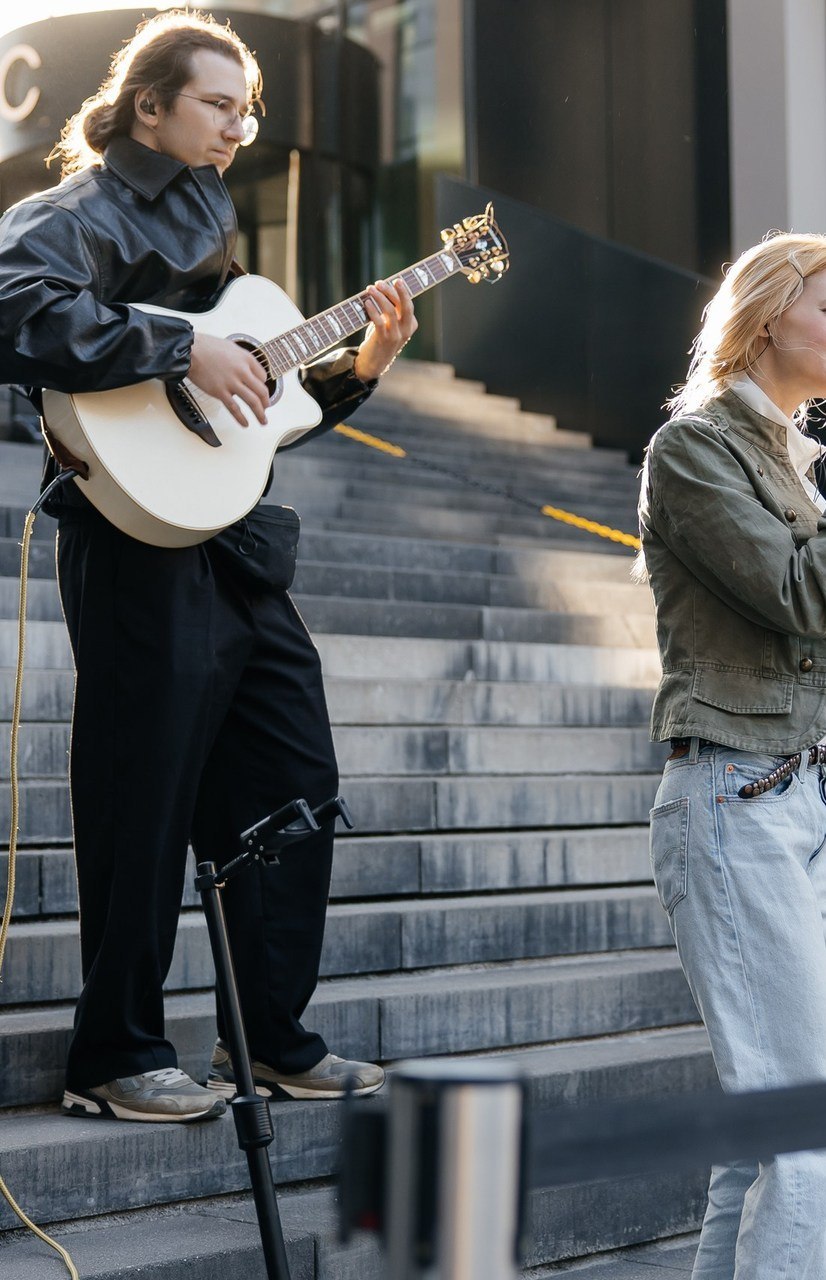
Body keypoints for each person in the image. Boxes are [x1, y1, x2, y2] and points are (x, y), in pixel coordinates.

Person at [0, 10, 417, 1122]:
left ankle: (273, 1037)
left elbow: (247, 423)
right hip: (133, 546)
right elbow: (14, 307)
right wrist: (183, 344)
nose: (242, 125)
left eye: (249, 109)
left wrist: (360, 367)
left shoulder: (205, 221)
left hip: (232, 544)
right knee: (142, 798)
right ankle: (114, 1053)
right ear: (150, 106)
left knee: (294, 783)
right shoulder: (74, 210)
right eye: (219, 104)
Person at [636, 231, 826, 1279]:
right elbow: (803, 595)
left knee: (769, 1127)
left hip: (791, 795)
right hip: (731, 797)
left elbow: (813, 632)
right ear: (766, 317)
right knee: (812, 1128)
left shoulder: (784, 460)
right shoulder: (695, 448)